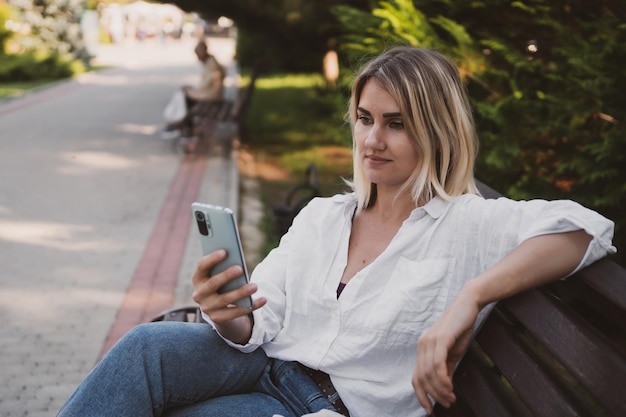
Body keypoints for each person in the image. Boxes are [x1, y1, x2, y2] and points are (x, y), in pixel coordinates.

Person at [57, 46, 616, 417]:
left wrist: (470, 297)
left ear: (437, 132)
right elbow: (263, 320)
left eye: (397, 124)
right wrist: (229, 312)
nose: (373, 139)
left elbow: (586, 229)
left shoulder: (469, 223)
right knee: (144, 348)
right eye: (367, 119)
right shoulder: (324, 215)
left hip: (323, 407)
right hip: (265, 363)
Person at [161, 38, 225, 140]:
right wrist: (191, 89)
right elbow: (206, 85)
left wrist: (190, 91)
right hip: (210, 94)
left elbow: (206, 86)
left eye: (198, 54)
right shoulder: (210, 62)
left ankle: (181, 127)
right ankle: (176, 124)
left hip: (211, 97)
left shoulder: (211, 64)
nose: (197, 57)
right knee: (184, 97)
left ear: (203, 52)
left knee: (185, 100)